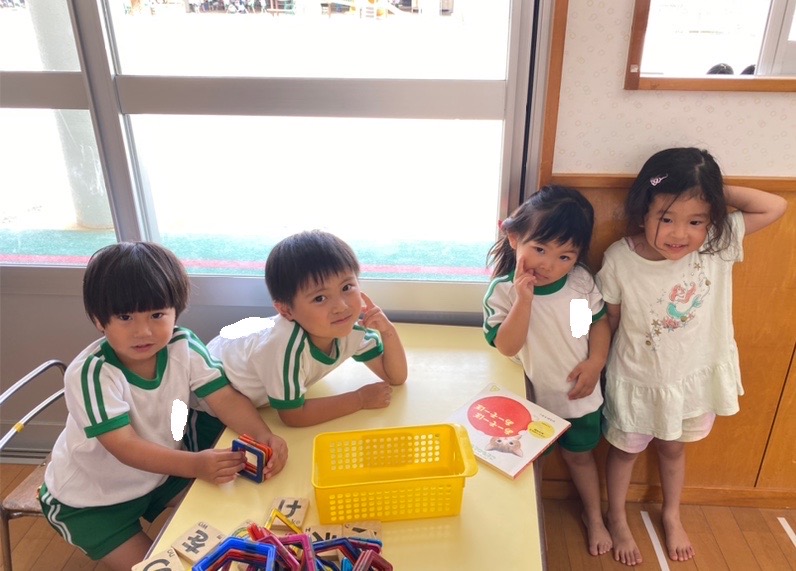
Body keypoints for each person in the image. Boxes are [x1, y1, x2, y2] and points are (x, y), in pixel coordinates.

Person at [38, 242, 288, 571]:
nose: (143, 331)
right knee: (164, 566)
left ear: (175, 311)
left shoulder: (183, 345)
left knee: (235, 523)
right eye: (125, 317)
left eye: (157, 315)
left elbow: (225, 398)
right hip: (90, 502)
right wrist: (196, 465)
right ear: (99, 320)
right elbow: (124, 446)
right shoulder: (92, 374)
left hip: (159, 474)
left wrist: (263, 435)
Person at [597, 147, 787, 566]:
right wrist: (591, 361)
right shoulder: (619, 259)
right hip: (638, 378)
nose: (679, 233)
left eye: (696, 221)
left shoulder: (717, 245)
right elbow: (605, 319)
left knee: (674, 449)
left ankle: (671, 514)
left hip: (692, 378)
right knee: (625, 452)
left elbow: (776, 205)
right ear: (643, 211)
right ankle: (617, 517)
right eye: (666, 218)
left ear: (711, 219)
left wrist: (708, 190)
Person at [483, 185, 613, 556]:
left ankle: (594, 517)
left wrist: (596, 362)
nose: (548, 265)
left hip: (578, 396)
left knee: (580, 458)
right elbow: (508, 346)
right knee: (529, 466)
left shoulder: (579, 283)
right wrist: (524, 299)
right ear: (513, 237)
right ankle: (527, 524)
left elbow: (588, 328)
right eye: (539, 249)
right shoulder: (503, 292)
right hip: (529, 403)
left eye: (564, 256)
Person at [195, 230, 408, 429]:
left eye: (347, 287)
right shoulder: (284, 346)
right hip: (210, 402)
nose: (341, 306)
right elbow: (293, 416)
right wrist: (359, 399)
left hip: (254, 397)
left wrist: (388, 332)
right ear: (286, 310)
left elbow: (395, 377)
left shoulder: (350, 330)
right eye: (320, 298)